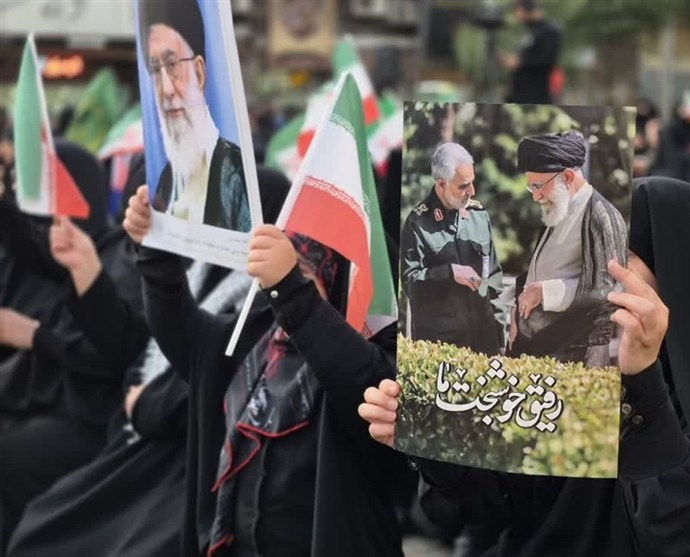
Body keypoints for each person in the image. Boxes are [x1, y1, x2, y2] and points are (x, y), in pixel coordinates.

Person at [360, 176, 690, 557]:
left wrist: (643, 381)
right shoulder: (583, 364)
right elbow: (499, 505)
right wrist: (432, 441)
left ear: (678, 268)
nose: (596, 277)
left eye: (617, 257)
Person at [5, 167, 292, 557]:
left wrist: (148, 404)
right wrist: (88, 269)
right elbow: (145, 343)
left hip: (182, 454)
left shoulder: (265, 302)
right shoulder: (192, 268)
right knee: (41, 526)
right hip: (135, 433)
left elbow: (215, 373)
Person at [123, 176, 406, 556]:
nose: (282, 288)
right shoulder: (260, 337)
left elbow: (359, 378)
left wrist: (293, 293)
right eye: (283, 273)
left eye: (301, 273)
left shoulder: (367, 359)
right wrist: (155, 248)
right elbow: (184, 335)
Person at [0, 140, 145, 552]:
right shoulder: (108, 246)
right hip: (58, 398)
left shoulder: (144, 263)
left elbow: (118, 347)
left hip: (98, 416)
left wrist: (35, 335)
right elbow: (33, 248)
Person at [510, 132, 627, 366]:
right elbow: (543, 269)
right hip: (535, 348)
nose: (536, 196)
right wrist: (516, 312)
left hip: (575, 355)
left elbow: (611, 289)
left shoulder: (601, 216)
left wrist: (546, 292)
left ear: (568, 176)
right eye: (531, 187)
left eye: (539, 186)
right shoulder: (559, 207)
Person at [138, 0, 251, 232]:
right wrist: (142, 236)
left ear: (199, 72)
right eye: (156, 71)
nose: (166, 90)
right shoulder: (168, 180)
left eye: (172, 65)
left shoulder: (235, 174)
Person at [401, 142, 505, 356]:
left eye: (472, 182)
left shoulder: (479, 216)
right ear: (441, 184)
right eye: (463, 186)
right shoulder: (417, 223)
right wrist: (449, 273)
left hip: (485, 345)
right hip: (442, 348)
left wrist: (501, 338)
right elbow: (410, 284)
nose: (472, 191)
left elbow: (494, 281)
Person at [498, 0, 561, 105]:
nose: (518, 17)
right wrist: (509, 59)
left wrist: (519, 63)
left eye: (518, 12)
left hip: (535, 95)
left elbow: (547, 61)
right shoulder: (531, 32)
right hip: (519, 94)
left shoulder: (550, 31)